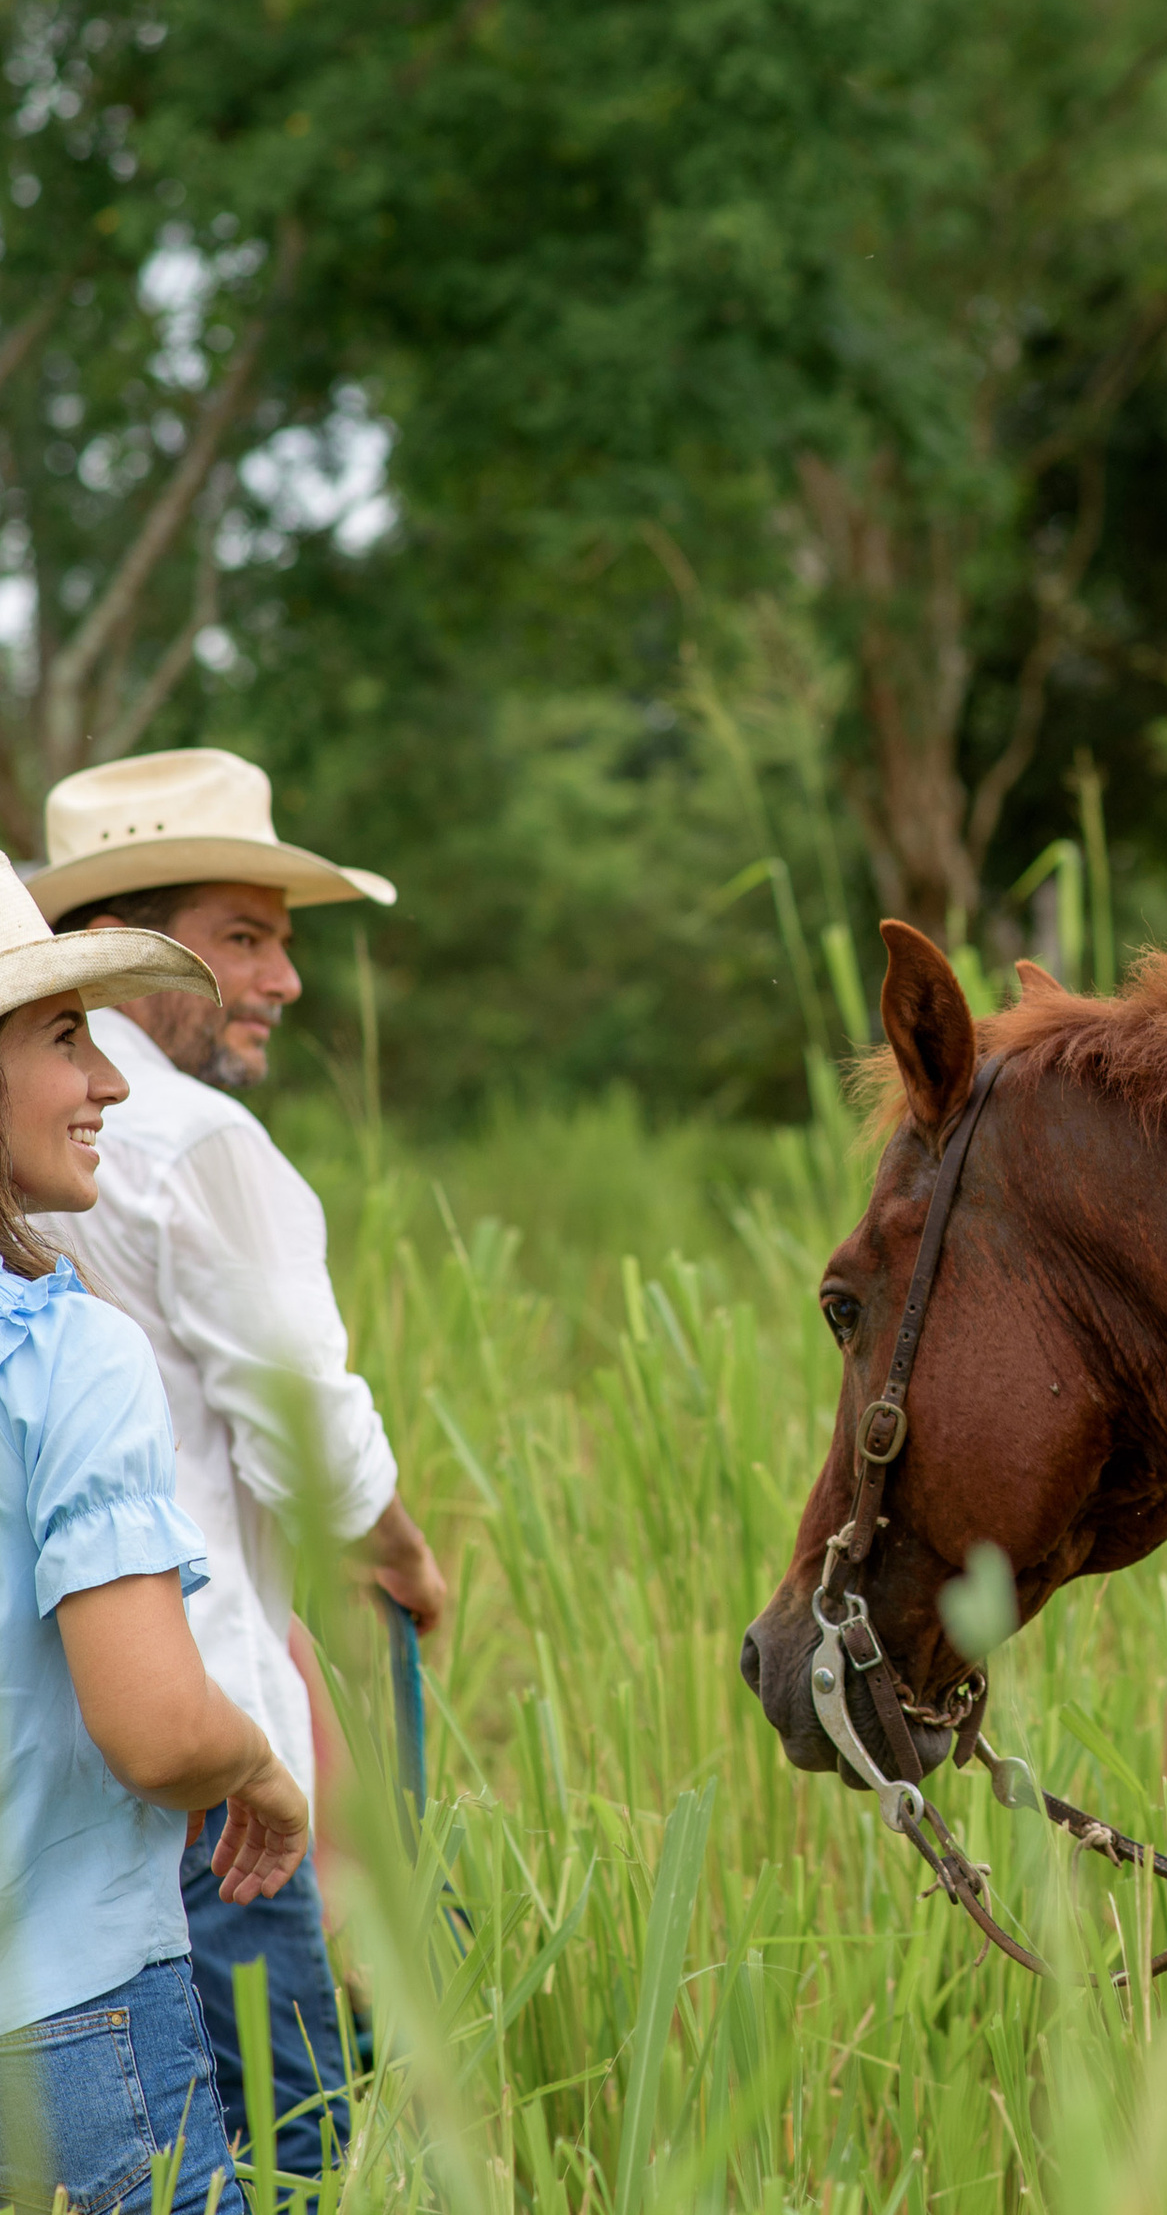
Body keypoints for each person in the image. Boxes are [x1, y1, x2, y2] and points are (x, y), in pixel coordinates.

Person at [27, 747, 448, 2185]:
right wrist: (398, 1550)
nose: (280, 984)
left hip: (58, 1767)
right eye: (242, 939)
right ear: (107, 955)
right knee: (290, 2138)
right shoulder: (196, 1143)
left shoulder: (63, 1171)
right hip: (197, 1730)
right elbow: (307, 1436)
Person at [0, 858, 308, 2215]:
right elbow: (156, 1730)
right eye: (65, 1037)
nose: (108, 1083)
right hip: (69, 2021)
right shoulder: (63, 1356)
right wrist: (262, 1763)